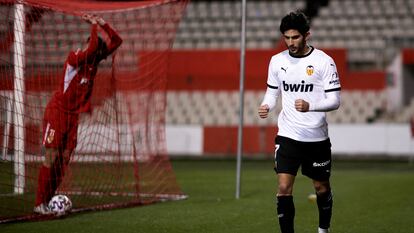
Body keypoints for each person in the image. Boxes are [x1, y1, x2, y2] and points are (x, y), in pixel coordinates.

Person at [258, 11, 341, 233]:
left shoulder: (324, 62)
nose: (290, 42)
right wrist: (266, 105)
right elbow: (271, 93)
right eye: (286, 37)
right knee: (284, 187)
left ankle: (323, 229)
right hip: (288, 135)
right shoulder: (277, 61)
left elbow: (335, 100)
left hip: (316, 137)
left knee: (321, 187)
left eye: (295, 37)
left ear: (307, 35)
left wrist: (310, 106)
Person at [34, 14, 122, 214]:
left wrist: (102, 24)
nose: (92, 51)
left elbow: (117, 41)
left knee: (64, 158)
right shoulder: (74, 58)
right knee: (51, 155)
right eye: (90, 47)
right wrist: (93, 27)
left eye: (95, 50)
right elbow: (91, 48)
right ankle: (39, 203)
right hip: (57, 111)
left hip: (73, 116)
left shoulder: (93, 62)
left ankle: (49, 199)